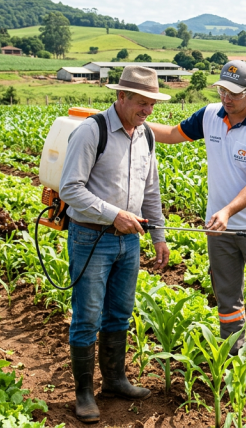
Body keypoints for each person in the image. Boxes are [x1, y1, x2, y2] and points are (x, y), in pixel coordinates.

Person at [147, 60, 246, 353]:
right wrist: (129, 120)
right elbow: (171, 134)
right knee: (227, 301)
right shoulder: (210, 115)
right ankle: (232, 361)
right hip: (219, 229)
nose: (226, 98)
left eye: (234, 93)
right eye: (222, 91)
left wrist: (228, 211)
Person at [59, 65, 170, 423]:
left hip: (130, 242)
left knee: (119, 314)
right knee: (87, 318)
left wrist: (159, 235)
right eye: (142, 103)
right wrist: (113, 214)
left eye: (152, 104)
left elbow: (150, 190)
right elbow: (70, 189)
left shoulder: (146, 136)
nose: (148, 111)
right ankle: (83, 394)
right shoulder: (92, 132)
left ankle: (115, 380)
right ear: (121, 96)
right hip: (91, 237)